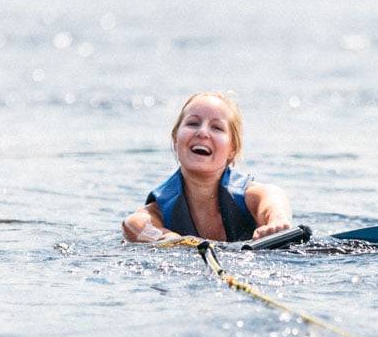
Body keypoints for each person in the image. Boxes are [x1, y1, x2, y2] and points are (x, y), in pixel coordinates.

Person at [122, 91, 293, 243]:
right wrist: (166, 238)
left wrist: (277, 221)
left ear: (232, 149)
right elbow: (134, 224)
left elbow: (272, 196)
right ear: (175, 139)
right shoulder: (160, 209)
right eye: (193, 124)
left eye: (217, 128)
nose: (202, 132)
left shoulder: (249, 197)